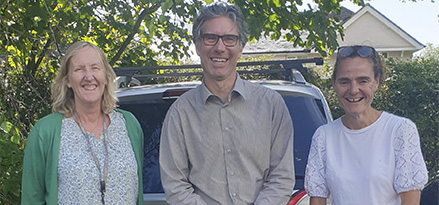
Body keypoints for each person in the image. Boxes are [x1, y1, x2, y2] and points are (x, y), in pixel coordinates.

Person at [159, 2, 295, 205]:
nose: (220, 47)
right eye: (210, 38)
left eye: (229, 39)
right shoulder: (180, 113)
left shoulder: (271, 105)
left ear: (240, 48)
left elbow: (282, 176)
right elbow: (175, 185)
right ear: (197, 46)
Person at [21, 41, 144, 204]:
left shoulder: (129, 125)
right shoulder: (45, 132)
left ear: (106, 77)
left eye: (95, 68)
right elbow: (32, 199)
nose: (88, 76)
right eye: (79, 69)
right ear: (67, 80)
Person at [305, 45, 428, 204]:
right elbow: (317, 200)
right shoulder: (323, 137)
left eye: (363, 80)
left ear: (376, 82)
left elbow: (410, 200)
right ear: (334, 84)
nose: (353, 90)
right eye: (344, 82)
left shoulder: (400, 130)